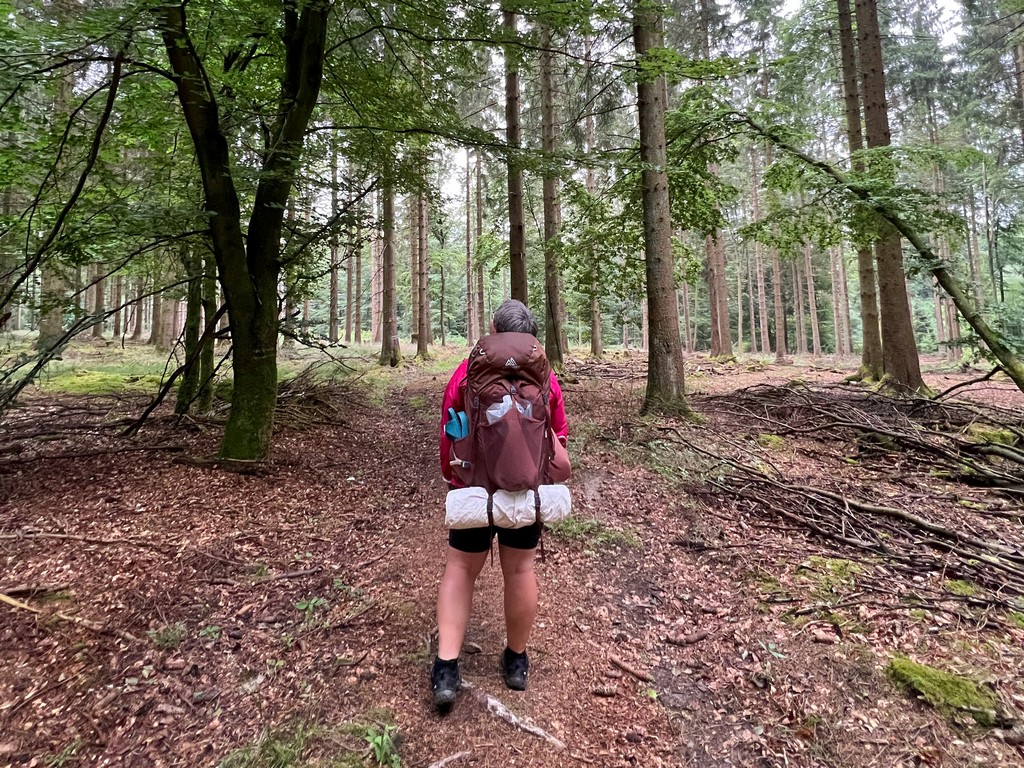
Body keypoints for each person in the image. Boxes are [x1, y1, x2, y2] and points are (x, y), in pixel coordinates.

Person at [431, 299, 568, 708]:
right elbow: (559, 435)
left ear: (492, 329)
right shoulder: (545, 377)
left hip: (473, 487)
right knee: (521, 568)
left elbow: (447, 430)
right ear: (530, 335)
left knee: (460, 568)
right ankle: (516, 660)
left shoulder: (467, 373)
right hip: (524, 490)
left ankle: (446, 668)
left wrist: (452, 476)